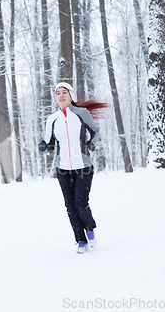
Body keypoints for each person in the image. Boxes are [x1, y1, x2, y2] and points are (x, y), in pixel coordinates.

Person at [39, 82, 107, 254]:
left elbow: (95, 131)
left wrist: (91, 144)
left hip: (83, 166)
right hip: (62, 168)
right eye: (57, 93)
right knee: (70, 206)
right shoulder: (52, 119)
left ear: (70, 95)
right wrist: (43, 146)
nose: (61, 96)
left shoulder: (82, 113)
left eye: (64, 92)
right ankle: (80, 240)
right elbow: (49, 143)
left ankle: (90, 232)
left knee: (81, 203)